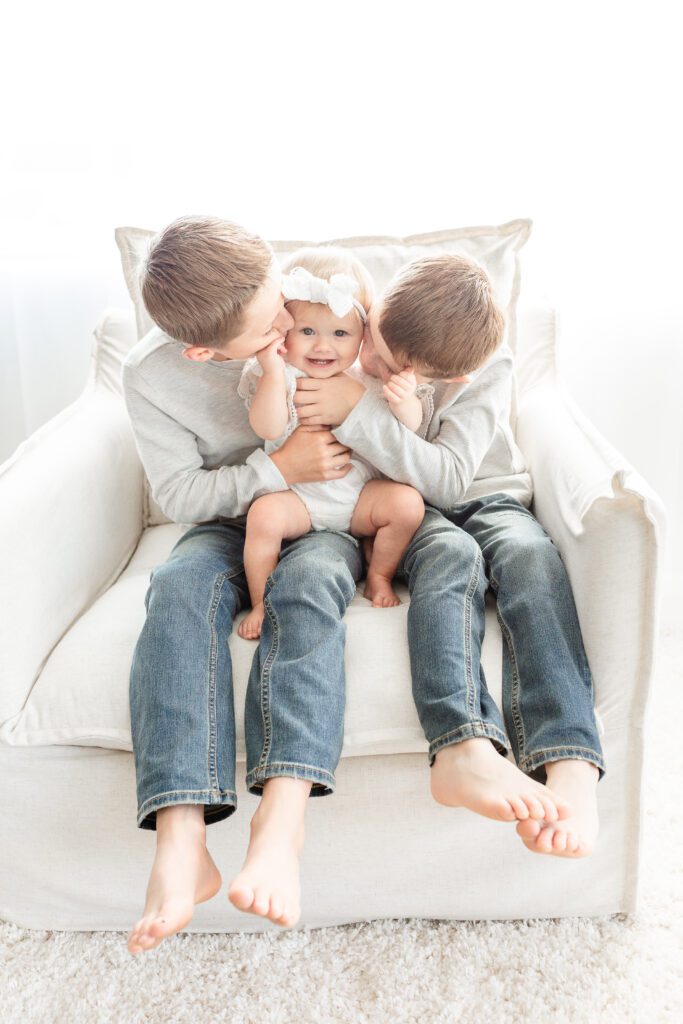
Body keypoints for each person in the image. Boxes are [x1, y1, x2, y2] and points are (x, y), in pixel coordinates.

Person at [291, 252, 605, 858]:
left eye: (393, 367)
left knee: (530, 558)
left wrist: (358, 413)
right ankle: (464, 746)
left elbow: (453, 480)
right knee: (451, 557)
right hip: (399, 509)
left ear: (453, 378)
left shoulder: (484, 366)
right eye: (375, 344)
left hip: (479, 494)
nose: (373, 364)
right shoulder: (354, 324)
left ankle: (570, 763)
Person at [121, 216, 368, 954]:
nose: (290, 322)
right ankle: (180, 840)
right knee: (177, 588)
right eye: (270, 323)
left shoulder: (300, 302)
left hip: (325, 514)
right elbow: (183, 498)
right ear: (203, 350)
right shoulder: (152, 376)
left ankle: (280, 819)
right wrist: (274, 471)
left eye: (279, 295)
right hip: (237, 513)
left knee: (310, 588)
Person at [236, 246, 425, 640]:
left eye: (340, 334)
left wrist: (405, 401)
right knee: (262, 517)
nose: (323, 347)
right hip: (299, 501)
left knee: (407, 505)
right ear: (284, 329)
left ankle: (378, 575)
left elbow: (410, 429)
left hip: (358, 499)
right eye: (307, 332)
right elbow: (268, 428)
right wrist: (271, 372)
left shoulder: (366, 377)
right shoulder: (280, 376)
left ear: (362, 337)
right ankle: (260, 601)